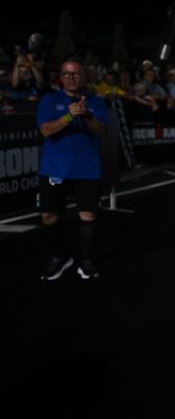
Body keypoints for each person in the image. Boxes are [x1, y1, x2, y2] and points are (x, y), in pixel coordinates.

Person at [38, 60, 109, 280]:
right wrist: (69, 115)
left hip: (87, 168)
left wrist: (86, 115)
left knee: (88, 215)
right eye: (67, 73)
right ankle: (59, 257)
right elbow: (46, 130)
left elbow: (101, 131)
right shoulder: (50, 100)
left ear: (83, 76)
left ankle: (85, 259)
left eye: (75, 73)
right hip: (55, 168)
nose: (71, 77)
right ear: (61, 76)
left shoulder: (96, 102)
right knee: (49, 216)